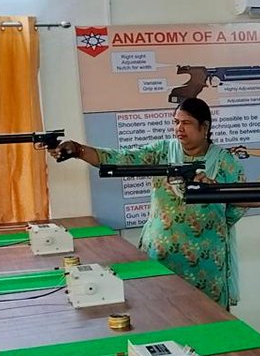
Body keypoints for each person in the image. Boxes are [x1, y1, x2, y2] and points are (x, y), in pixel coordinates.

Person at [52, 98, 246, 308]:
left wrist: (209, 223)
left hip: (207, 264)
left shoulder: (226, 162)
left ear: (205, 127)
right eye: (175, 122)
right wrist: (78, 150)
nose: (179, 128)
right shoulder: (162, 151)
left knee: (209, 321)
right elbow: (122, 158)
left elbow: (240, 203)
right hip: (161, 256)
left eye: (186, 123)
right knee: (159, 315)